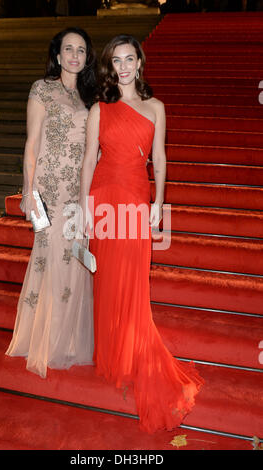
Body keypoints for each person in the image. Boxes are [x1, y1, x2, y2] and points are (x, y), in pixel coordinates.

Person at [79, 34, 204, 434]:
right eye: (116, 61)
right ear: (110, 67)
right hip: (103, 197)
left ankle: (133, 354)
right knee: (109, 282)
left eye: (129, 58)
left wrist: (157, 204)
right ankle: (115, 353)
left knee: (133, 281)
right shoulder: (100, 108)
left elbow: (161, 159)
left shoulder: (156, 108)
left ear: (140, 62)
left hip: (135, 198)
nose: (124, 66)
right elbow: (88, 160)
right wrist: (83, 208)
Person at [6, 27, 97, 378]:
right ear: (58, 56)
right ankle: (46, 339)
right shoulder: (41, 89)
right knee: (51, 259)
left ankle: (69, 340)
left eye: (81, 50)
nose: (75, 55)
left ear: (86, 57)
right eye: (68, 49)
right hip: (48, 191)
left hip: (78, 192)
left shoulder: (89, 98)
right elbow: (32, 143)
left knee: (73, 260)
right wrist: (28, 192)